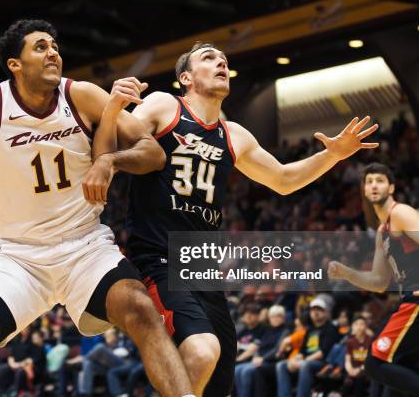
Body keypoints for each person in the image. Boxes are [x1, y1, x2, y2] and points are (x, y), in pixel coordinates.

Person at [0, 19, 194, 397]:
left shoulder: (82, 95)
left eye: (55, 45)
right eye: (40, 47)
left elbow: (153, 153)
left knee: (142, 311)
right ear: (15, 64)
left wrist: (108, 162)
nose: (53, 52)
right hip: (19, 257)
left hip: (85, 247)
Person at [90, 41, 378, 396]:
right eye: (209, 59)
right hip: (161, 258)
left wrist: (333, 156)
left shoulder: (234, 134)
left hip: (204, 268)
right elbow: (108, 144)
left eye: (224, 59)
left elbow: (285, 180)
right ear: (186, 77)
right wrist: (113, 110)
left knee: (218, 382)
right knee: (201, 350)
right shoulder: (166, 105)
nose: (221, 63)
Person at [328, 162, 419, 395]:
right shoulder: (382, 231)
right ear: (364, 191)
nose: (374, 185)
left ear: (391, 188)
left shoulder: (401, 213)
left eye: (380, 180)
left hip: (416, 300)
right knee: (399, 372)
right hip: (408, 298)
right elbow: (378, 281)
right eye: (369, 182)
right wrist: (346, 272)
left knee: (375, 363)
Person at [275, 298, 339, 397]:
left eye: (319, 309)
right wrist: (294, 360)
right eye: (313, 310)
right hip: (306, 360)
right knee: (281, 365)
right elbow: (302, 350)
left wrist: (303, 361)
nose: (315, 312)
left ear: (326, 312)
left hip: (323, 362)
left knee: (305, 365)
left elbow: (323, 352)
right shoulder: (309, 329)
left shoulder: (331, 328)